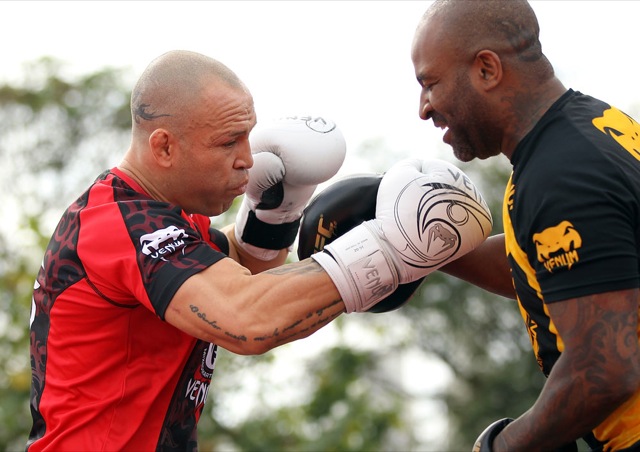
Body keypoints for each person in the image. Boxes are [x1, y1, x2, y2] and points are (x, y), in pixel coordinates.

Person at [27, 49, 493, 450]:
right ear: (164, 147)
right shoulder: (116, 224)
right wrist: (390, 247)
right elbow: (247, 318)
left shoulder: (166, 219)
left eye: (249, 135)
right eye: (229, 141)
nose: (248, 158)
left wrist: (275, 212)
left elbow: (236, 272)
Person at [411, 1, 640, 450]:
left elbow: (606, 368)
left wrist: (503, 446)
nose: (424, 107)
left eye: (430, 83)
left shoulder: (560, 173)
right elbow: (566, 272)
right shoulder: (591, 126)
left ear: (486, 69)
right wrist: (419, 241)